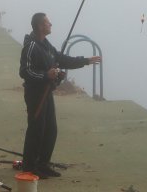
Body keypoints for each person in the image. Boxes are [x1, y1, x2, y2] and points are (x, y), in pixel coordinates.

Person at [19, 12, 101, 178]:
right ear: (41, 26)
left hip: (46, 93)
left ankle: (42, 164)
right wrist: (45, 75)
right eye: (48, 23)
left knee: (51, 130)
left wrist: (85, 61)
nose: (51, 25)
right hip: (35, 95)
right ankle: (29, 166)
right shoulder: (31, 46)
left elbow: (61, 59)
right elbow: (24, 72)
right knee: (36, 129)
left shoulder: (46, 44)